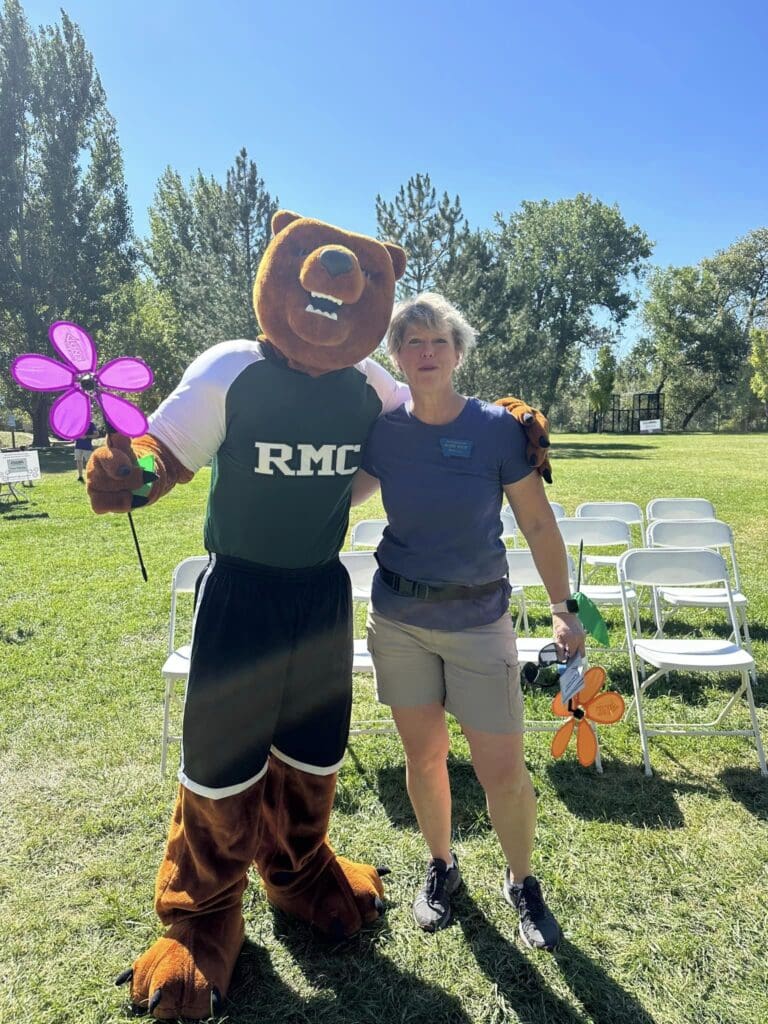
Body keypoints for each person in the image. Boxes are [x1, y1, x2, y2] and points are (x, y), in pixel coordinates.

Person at [351, 293, 585, 951]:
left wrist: (565, 609)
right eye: (412, 343)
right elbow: (344, 492)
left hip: (480, 621)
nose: (425, 354)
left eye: (438, 342)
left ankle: (521, 882)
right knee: (423, 758)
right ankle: (442, 866)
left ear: (457, 353)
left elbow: (538, 523)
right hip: (398, 619)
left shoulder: (495, 430)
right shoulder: (385, 430)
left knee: (501, 771)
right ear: (395, 356)